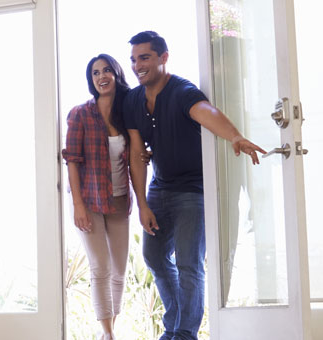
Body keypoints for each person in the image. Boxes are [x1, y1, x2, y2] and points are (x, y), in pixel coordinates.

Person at [122, 31, 264, 340]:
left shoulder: (182, 91)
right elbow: (135, 151)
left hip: (192, 191)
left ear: (163, 57)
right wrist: (143, 204)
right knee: (155, 257)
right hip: (159, 189)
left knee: (188, 264)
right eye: (133, 60)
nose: (137, 65)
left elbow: (206, 112)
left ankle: (184, 334)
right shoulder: (133, 100)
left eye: (144, 57)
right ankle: (175, 325)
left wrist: (235, 136)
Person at [62, 54, 136, 340]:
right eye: (95, 73)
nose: (101, 76)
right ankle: (107, 334)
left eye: (106, 70)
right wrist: (78, 205)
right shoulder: (80, 114)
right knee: (100, 267)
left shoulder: (127, 113)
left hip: (119, 199)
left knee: (119, 269)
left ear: (116, 74)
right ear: (91, 80)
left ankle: (110, 329)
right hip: (89, 200)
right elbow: (72, 160)